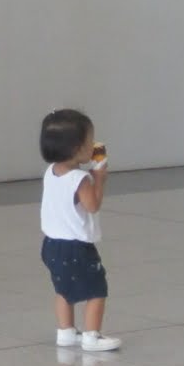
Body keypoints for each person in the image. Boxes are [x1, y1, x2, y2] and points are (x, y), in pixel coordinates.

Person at [39, 109, 121, 352]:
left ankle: (65, 331)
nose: (93, 145)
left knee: (63, 289)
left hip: (52, 244)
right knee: (96, 289)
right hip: (76, 247)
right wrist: (99, 178)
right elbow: (92, 205)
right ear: (75, 148)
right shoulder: (80, 179)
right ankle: (92, 336)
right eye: (88, 142)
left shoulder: (51, 172)